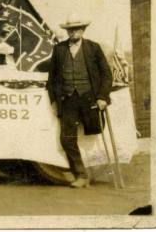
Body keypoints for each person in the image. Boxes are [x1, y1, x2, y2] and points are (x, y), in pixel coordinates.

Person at [46, 14, 113, 188]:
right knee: (67, 139)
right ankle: (81, 175)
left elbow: (106, 74)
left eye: (76, 28)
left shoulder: (93, 48)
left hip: (89, 99)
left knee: (95, 131)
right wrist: (54, 100)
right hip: (67, 100)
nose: (73, 31)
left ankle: (96, 171)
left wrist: (102, 97)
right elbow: (51, 78)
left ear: (83, 30)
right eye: (70, 29)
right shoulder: (59, 49)